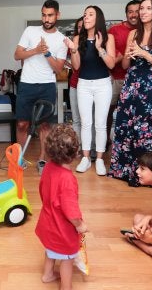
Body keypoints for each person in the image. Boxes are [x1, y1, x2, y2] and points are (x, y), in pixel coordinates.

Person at [108, 0, 152, 187]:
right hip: (131, 86)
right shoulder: (133, 34)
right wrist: (128, 53)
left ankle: (147, 174)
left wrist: (144, 53)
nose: (142, 12)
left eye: (147, 8)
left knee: (148, 132)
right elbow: (127, 65)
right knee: (125, 128)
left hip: (151, 89)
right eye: (141, 9)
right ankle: (125, 171)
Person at [14, 0, 67, 172]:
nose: (46, 19)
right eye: (44, 15)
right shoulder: (30, 31)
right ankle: (20, 158)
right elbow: (17, 55)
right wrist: (36, 50)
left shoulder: (61, 39)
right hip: (27, 84)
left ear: (57, 15)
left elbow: (59, 69)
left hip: (47, 86)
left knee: (45, 125)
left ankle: (42, 159)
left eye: (50, 15)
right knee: (22, 124)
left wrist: (46, 53)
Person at [35, 124, 88, 290]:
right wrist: (80, 225)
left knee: (50, 249)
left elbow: (43, 191)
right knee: (67, 259)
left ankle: (47, 274)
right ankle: (66, 287)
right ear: (75, 153)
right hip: (61, 230)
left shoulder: (48, 167)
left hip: (47, 222)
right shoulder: (68, 180)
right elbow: (71, 212)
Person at [65, 6, 115, 175]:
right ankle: (86, 158)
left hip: (103, 85)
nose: (85, 17)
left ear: (98, 18)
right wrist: (73, 49)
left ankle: (99, 159)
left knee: (100, 124)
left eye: (90, 15)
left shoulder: (109, 38)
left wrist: (100, 48)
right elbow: (77, 66)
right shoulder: (78, 38)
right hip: (84, 85)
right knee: (86, 124)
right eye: (85, 14)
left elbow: (111, 64)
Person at [107, 0, 140, 145]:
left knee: (133, 114)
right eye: (130, 12)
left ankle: (128, 143)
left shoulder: (147, 31)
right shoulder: (115, 30)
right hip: (117, 78)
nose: (134, 15)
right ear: (126, 14)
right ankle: (106, 141)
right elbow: (109, 56)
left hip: (137, 80)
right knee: (108, 111)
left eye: (137, 11)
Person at [67, 17, 83, 141]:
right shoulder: (73, 43)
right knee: (76, 119)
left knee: (91, 121)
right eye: (78, 27)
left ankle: (90, 149)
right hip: (75, 84)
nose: (81, 28)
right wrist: (70, 66)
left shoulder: (96, 43)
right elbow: (61, 58)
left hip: (91, 84)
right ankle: (77, 147)